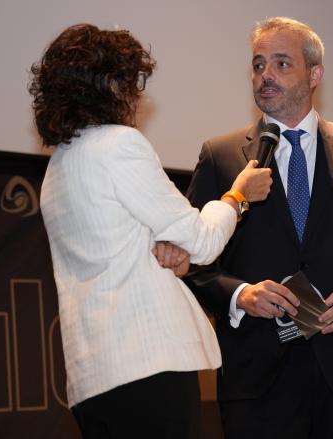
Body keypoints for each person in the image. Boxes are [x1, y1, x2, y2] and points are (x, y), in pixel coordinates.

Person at [184, 17, 333, 438]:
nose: (265, 76)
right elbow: (192, 261)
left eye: (281, 64)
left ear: (315, 74)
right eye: (258, 65)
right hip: (258, 383)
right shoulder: (221, 156)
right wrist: (241, 295)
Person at [30, 23, 272, 438]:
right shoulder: (119, 145)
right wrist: (237, 196)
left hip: (93, 376)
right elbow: (202, 240)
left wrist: (166, 247)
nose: (136, 95)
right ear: (110, 84)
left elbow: (119, 244)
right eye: (130, 82)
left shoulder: (58, 166)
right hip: (145, 367)